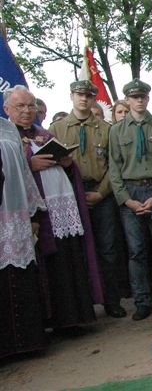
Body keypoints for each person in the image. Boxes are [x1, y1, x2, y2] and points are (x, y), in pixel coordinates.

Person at [4, 87, 101, 329]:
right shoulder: (6, 138)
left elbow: (67, 168)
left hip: (61, 212)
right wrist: (29, 163)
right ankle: (50, 321)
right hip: (34, 215)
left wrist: (67, 163)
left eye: (31, 106)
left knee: (68, 262)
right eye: (20, 106)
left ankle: (74, 317)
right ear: (7, 109)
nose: (27, 111)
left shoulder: (44, 134)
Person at [50, 80, 126, 318]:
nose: (83, 99)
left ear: (94, 99)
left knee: (108, 249)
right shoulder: (57, 129)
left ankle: (112, 301)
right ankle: (85, 305)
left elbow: (115, 165)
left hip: (101, 193)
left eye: (88, 95)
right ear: (71, 96)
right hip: (71, 194)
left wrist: (101, 192)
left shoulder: (106, 129)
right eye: (79, 94)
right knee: (77, 250)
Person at [109, 79, 152, 321]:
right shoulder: (117, 131)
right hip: (131, 191)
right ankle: (142, 301)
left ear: (148, 98)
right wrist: (126, 200)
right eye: (135, 97)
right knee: (136, 251)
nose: (140, 101)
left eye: (143, 96)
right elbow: (114, 168)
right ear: (127, 100)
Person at [0, 117, 48, 359]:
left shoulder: (8, 129)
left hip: (15, 215)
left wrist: (34, 213)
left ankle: (28, 343)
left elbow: (24, 174)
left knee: (20, 280)